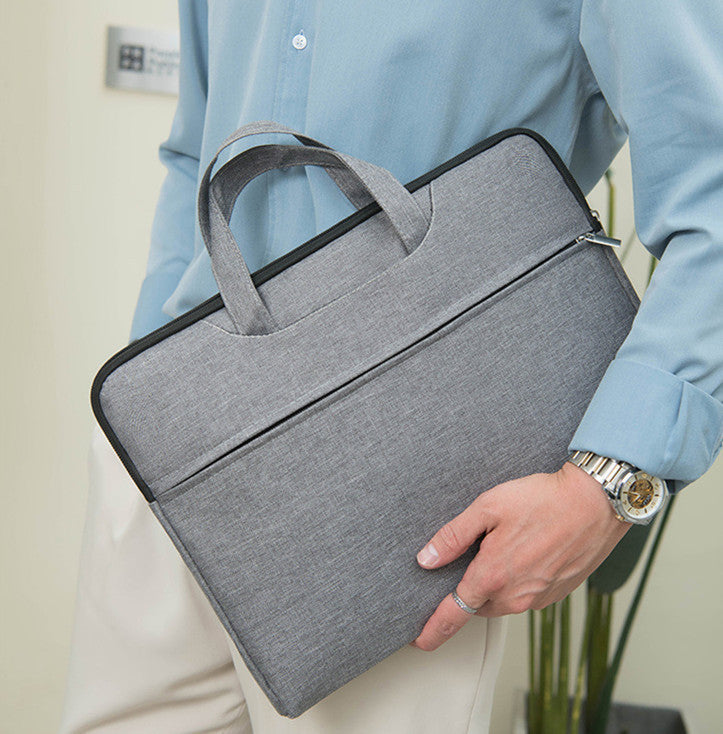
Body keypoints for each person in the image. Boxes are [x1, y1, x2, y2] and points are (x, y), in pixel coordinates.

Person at [59, 2, 723, 732]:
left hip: (403, 499)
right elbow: (194, 150)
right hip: (177, 454)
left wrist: (610, 483)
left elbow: (712, 186)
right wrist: (148, 395)